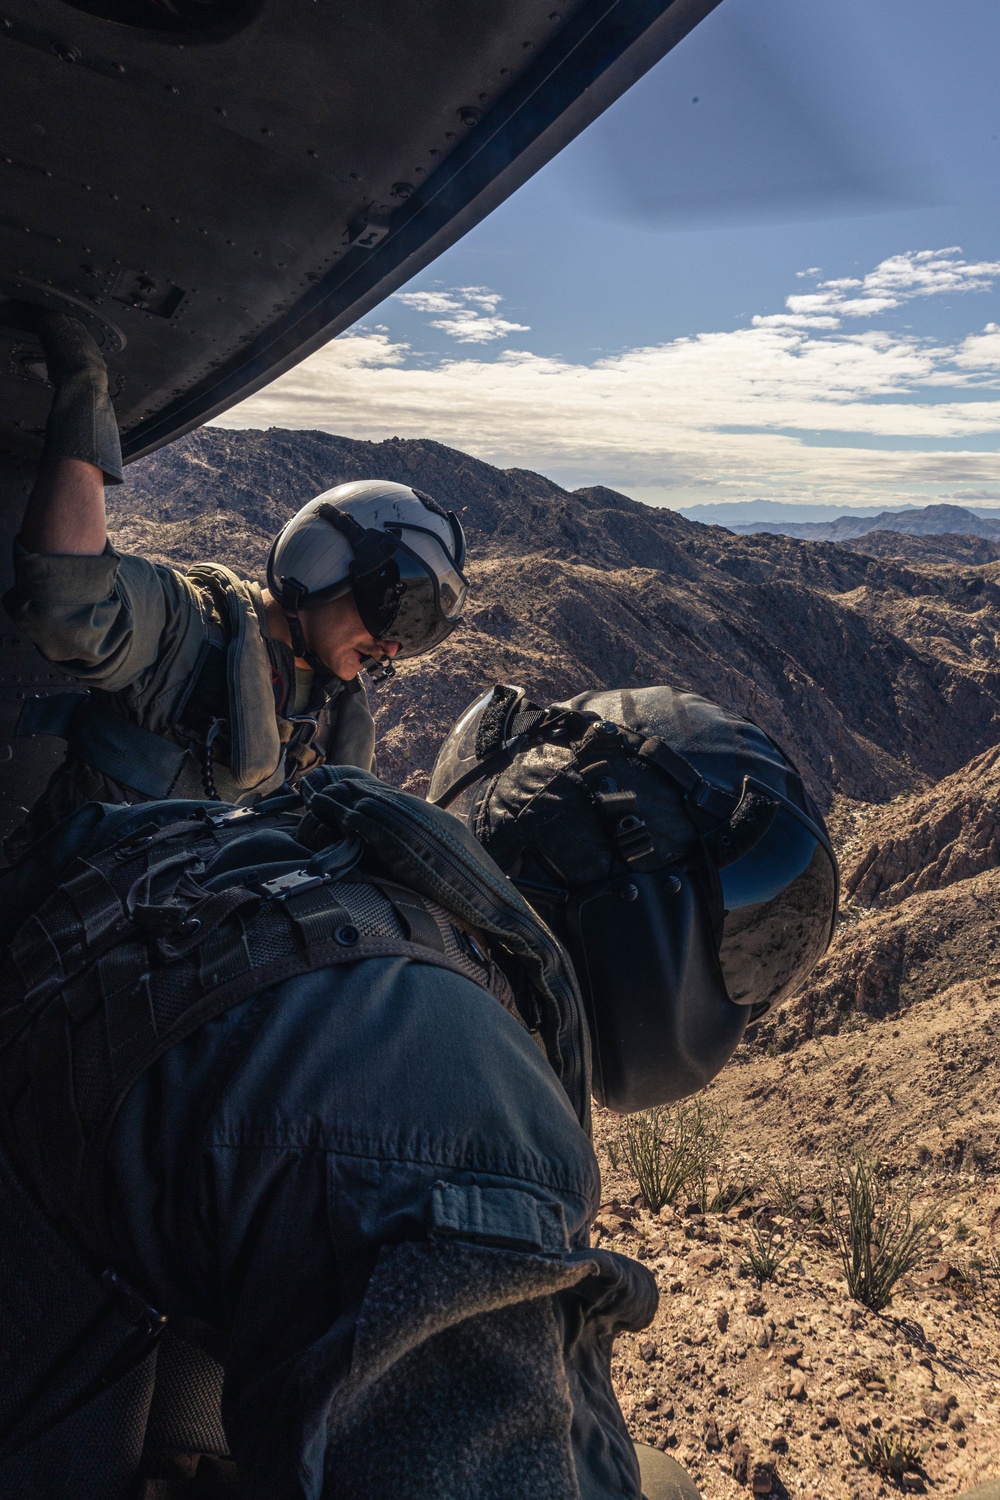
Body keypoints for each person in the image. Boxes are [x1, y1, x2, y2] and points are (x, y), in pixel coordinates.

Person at [0, 681, 837, 1498]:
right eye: (747, 947)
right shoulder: (472, 1131)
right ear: (639, 910)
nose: (749, 988)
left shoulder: (252, 847)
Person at [3, 312, 469, 854]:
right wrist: (85, 392)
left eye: (416, 630)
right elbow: (67, 600)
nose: (392, 645)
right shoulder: (186, 626)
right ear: (323, 564)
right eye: (392, 609)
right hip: (78, 920)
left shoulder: (336, 717)